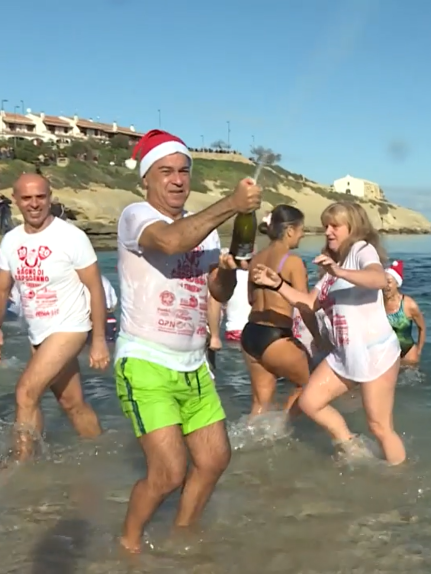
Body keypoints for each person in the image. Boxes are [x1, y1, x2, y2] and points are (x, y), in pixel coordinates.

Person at [114, 129, 258, 552]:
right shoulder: (135, 216)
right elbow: (171, 241)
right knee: (169, 472)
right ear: (147, 178)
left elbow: (218, 292)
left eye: (183, 171)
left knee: (214, 460)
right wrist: (232, 204)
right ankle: (128, 545)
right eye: (166, 172)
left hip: (194, 365)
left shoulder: (206, 229)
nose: (177, 180)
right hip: (145, 360)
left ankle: (182, 537)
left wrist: (229, 269)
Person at [249, 201, 405, 464]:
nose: (328, 232)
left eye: (335, 226)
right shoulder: (335, 266)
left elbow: (378, 279)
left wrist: (340, 270)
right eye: (325, 227)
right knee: (310, 402)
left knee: (379, 427)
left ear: (352, 227)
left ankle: (400, 481)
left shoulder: (361, 250)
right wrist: (277, 284)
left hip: (375, 352)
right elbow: (309, 303)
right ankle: (352, 447)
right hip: (344, 353)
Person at [0, 173, 107, 460]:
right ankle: (100, 453)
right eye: (27, 198)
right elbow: (1, 289)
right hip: (39, 331)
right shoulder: (11, 240)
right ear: (15, 201)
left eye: (41, 197)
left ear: (50, 197)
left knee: (25, 393)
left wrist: (99, 339)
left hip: (70, 327)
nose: (34, 204)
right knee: (72, 404)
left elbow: (95, 287)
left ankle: (20, 466)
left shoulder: (71, 237)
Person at [241, 205, 311, 416]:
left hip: (251, 334)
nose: (303, 234)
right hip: (276, 336)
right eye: (301, 229)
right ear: (290, 231)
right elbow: (304, 305)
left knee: (260, 404)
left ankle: (253, 443)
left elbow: (250, 298)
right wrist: (319, 337)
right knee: (310, 385)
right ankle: (284, 428)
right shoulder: (292, 262)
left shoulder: (255, 259)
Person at [382, 260, 427, 363]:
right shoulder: (378, 303)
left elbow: (422, 328)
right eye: (383, 282)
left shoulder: (409, 305)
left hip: (408, 354)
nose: (385, 286)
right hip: (387, 355)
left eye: (389, 282)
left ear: (397, 284)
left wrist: (419, 350)